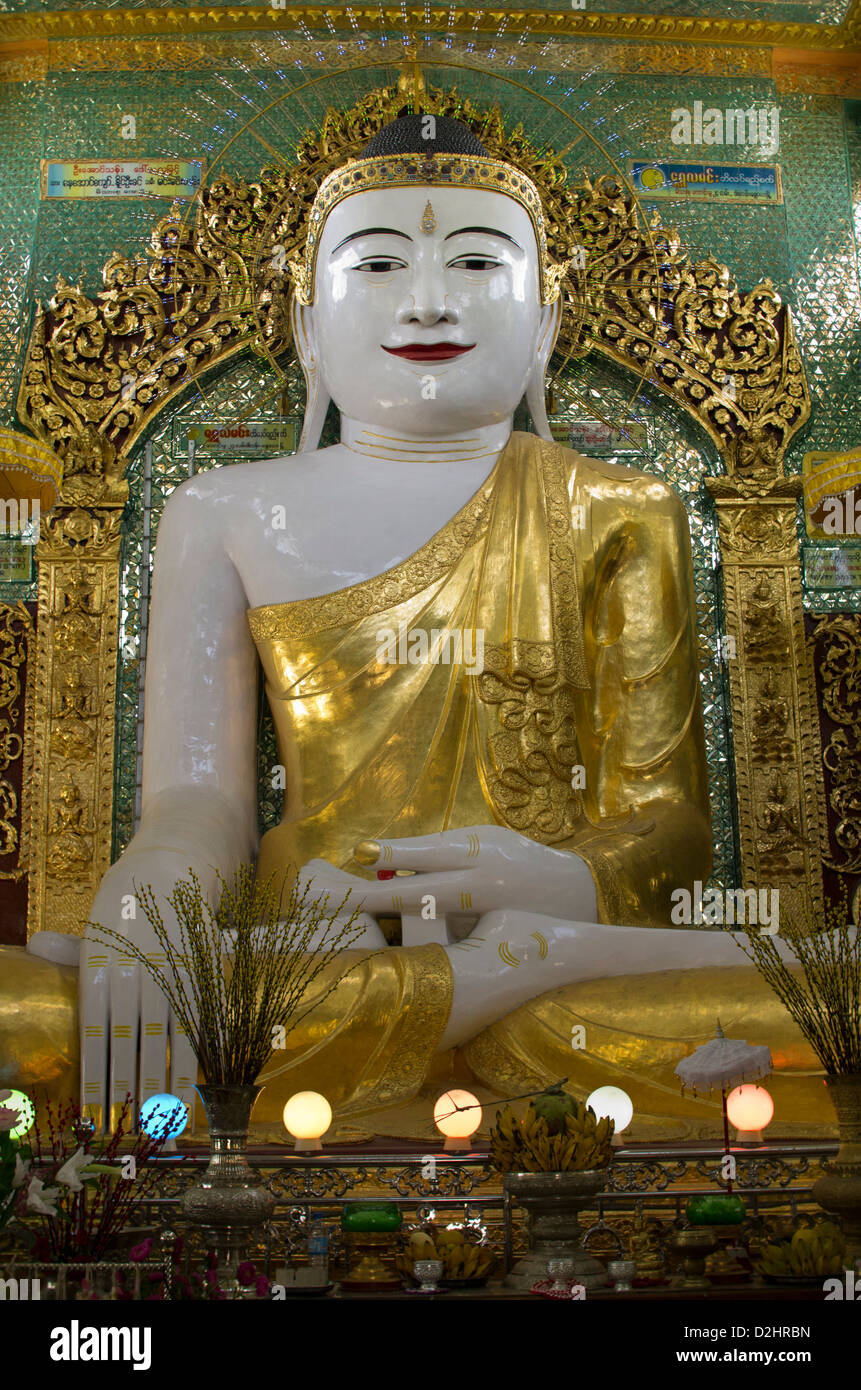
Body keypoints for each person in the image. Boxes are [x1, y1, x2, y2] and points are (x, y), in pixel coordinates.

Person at [11, 114, 826, 1137]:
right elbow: (193, 800)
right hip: (316, 944)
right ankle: (489, 986)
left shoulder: (622, 507)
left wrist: (563, 879)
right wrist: (146, 907)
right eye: (380, 261)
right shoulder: (223, 509)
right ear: (307, 325)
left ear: (544, 322)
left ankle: (514, 972)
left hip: (556, 956)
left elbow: (670, 828)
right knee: (38, 1019)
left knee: (687, 1020)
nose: (430, 299)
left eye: (479, 260)